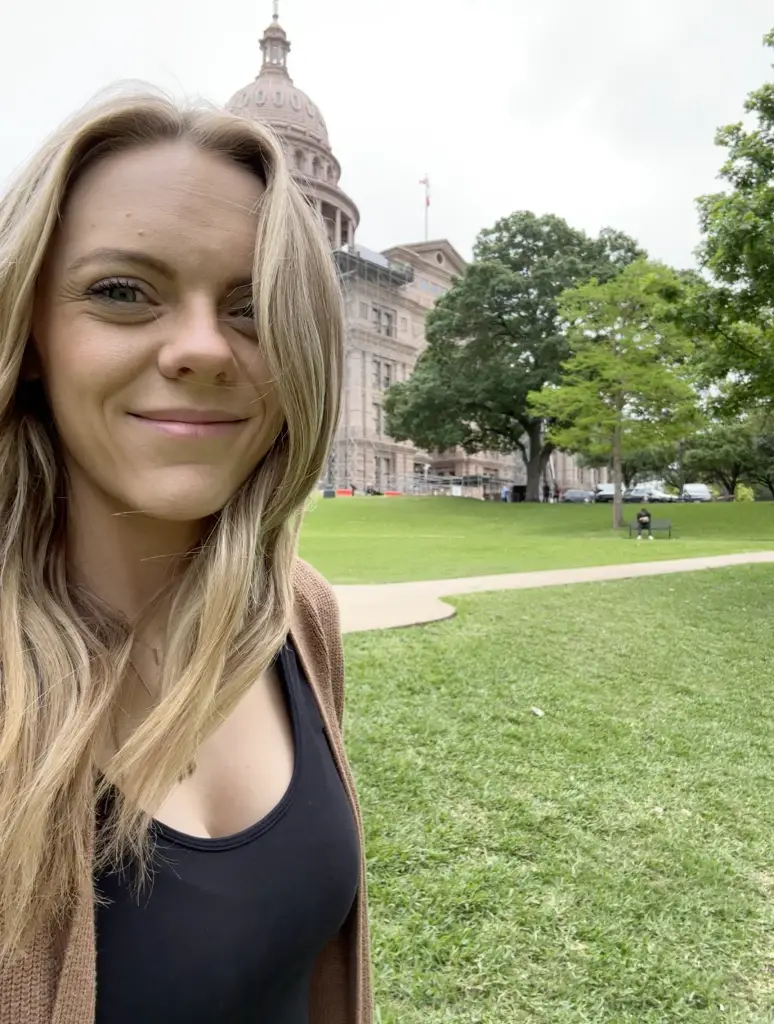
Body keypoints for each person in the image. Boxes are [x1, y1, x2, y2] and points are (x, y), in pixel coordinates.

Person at [0, 90, 372, 1024]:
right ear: (31, 332)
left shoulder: (296, 614)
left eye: (255, 308)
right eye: (123, 291)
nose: (204, 349)